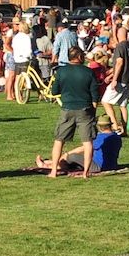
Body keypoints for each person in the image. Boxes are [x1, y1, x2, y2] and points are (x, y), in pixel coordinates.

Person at [46, 47, 98, 179]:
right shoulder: (88, 72)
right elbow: (95, 94)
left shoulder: (61, 71)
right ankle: (86, 172)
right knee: (87, 142)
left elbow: (54, 91)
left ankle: (53, 171)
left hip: (67, 108)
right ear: (80, 57)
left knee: (59, 140)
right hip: (85, 109)